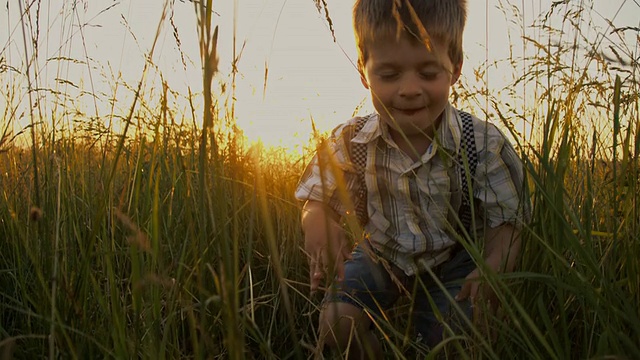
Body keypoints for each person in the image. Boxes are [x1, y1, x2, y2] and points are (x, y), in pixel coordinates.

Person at [295, 0, 530, 358]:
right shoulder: (350, 141)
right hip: (382, 254)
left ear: (455, 68)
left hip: (455, 258)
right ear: (363, 71)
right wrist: (318, 226)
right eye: (389, 75)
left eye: (428, 73)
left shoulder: (482, 144)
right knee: (335, 324)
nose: (409, 89)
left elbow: (509, 221)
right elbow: (317, 195)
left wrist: (492, 269)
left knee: (453, 342)